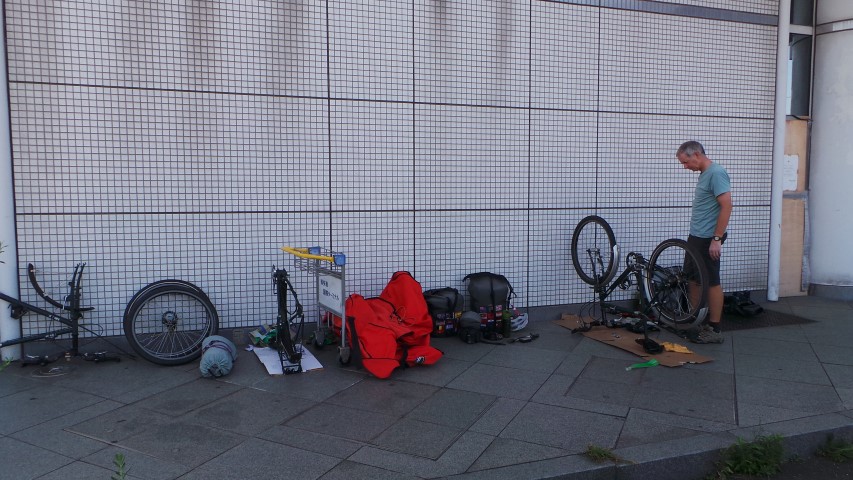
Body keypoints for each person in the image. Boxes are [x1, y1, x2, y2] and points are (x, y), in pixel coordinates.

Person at [676, 141, 732, 344]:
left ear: (697, 154)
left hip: (708, 238)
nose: (685, 166)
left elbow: (727, 206)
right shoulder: (704, 174)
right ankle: (694, 320)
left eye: (686, 162)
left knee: (712, 280)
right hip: (696, 236)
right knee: (692, 278)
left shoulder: (716, 173)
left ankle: (714, 329)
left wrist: (716, 239)